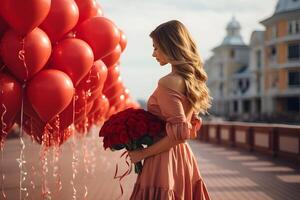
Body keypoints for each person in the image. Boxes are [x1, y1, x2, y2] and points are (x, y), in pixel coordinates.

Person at [128, 20, 212, 200]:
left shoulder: (167, 82)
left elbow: (178, 135)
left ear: (170, 47)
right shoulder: (188, 80)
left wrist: (141, 154)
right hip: (183, 159)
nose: (153, 54)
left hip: (164, 160)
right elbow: (183, 130)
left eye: (156, 48)